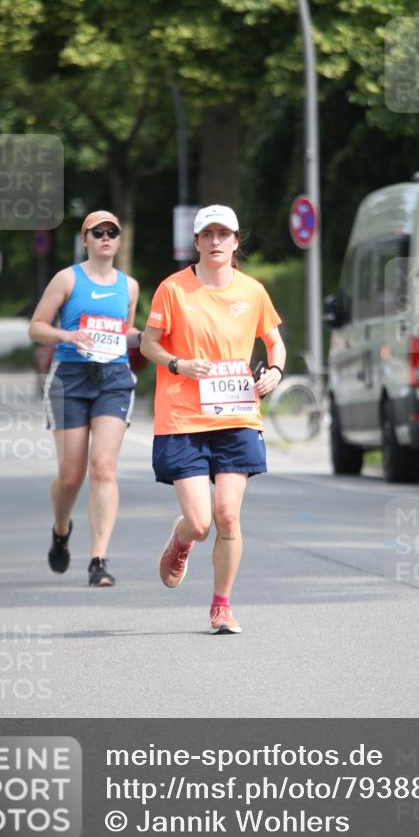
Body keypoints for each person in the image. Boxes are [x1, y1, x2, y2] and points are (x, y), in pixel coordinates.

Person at [141, 204, 286, 634]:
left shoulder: (253, 291)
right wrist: (178, 364)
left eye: (225, 234)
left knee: (227, 515)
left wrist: (275, 373)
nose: (217, 241)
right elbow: (149, 343)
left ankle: (221, 605)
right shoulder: (173, 289)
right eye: (209, 234)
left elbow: (274, 343)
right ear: (198, 241)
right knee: (202, 523)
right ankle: (182, 538)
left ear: (237, 241)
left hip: (237, 414)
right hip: (183, 418)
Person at [29, 211, 139, 587]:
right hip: (70, 379)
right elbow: (36, 327)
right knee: (70, 476)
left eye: (113, 232)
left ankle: (99, 560)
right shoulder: (68, 279)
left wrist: (147, 336)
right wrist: (67, 336)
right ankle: (61, 530)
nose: (106, 237)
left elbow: (125, 331)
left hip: (113, 378)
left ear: (120, 240)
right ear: (85, 239)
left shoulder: (130, 286)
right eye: (98, 232)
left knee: (104, 468)